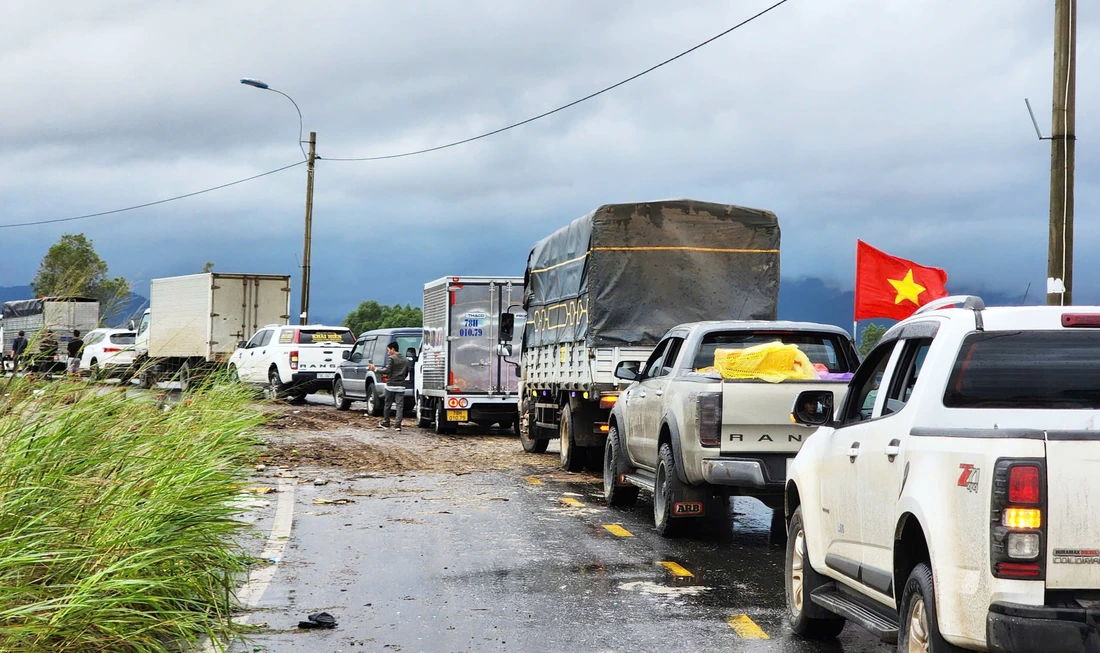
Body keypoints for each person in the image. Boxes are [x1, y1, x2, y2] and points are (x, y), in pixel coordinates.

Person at [368, 341, 409, 431]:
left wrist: (375, 369)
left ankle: (386, 422)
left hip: (391, 385)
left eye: (388, 350)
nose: (388, 352)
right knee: (399, 406)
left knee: (387, 405)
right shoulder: (405, 360)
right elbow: (406, 372)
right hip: (401, 386)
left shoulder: (391, 358)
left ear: (393, 349)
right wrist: (401, 379)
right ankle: (398, 425)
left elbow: (387, 370)